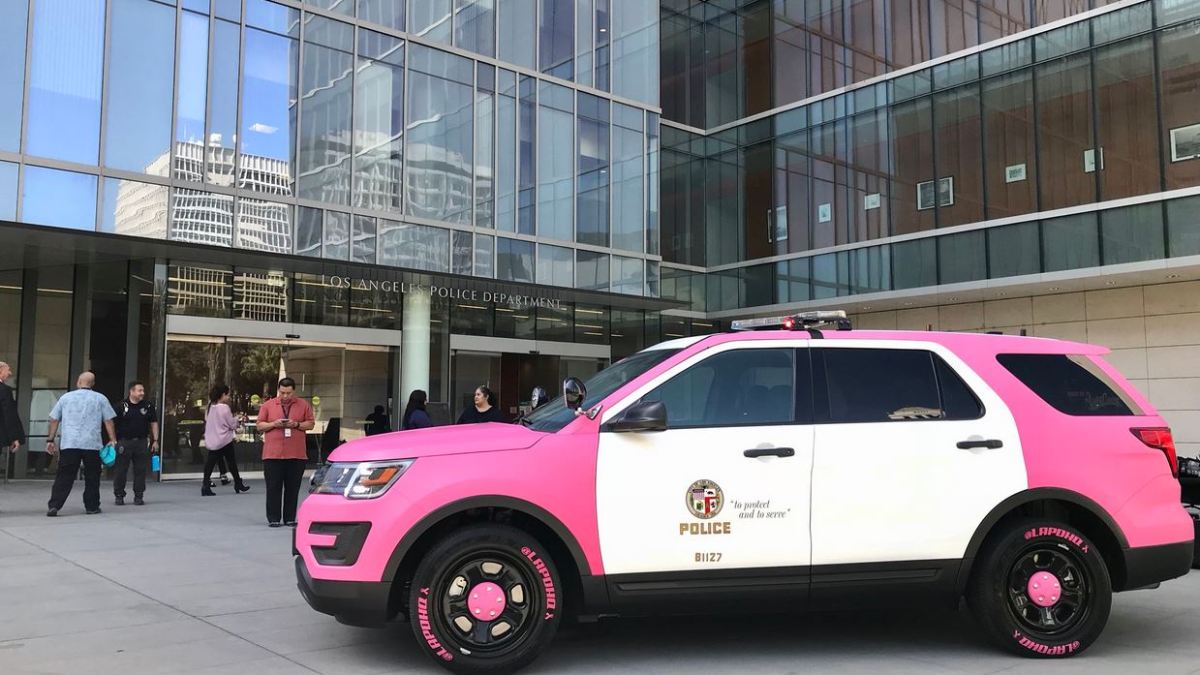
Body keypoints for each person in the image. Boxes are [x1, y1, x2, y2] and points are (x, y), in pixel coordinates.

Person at [45, 372, 117, 517]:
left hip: (70, 443)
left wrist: (50, 440)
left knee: (64, 476)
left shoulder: (66, 398)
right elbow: (108, 420)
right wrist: (113, 439)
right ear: (93, 384)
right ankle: (92, 506)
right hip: (92, 444)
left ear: (78, 382)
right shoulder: (100, 398)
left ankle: (54, 506)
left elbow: (54, 419)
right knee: (92, 476)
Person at [256, 377, 314, 528]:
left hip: (296, 454)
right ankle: (274, 518)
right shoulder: (268, 405)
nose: (285, 396)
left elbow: (310, 423)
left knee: (292, 488)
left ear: (293, 391)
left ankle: (289, 518)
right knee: (273, 487)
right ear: (278, 391)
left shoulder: (303, 405)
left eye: (288, 393)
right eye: (282, 393)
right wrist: (273, 424)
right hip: (272, 454)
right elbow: (260, 425)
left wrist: (296, 424)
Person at [112, 382, 160, 506]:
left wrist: (155, 440)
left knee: (140, 470)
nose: (142, 393)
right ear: (131, 391)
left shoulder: (148, 406)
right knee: (121, 470)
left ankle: (139, 495)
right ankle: (119, 495)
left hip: (141, 442)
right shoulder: (121, 406)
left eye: (143, 390)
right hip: (124, 442)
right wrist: (113, 440)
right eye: (139, 390)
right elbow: (111, 423)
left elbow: (154, 422)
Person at [202, 385, 250, 496]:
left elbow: (208, 420)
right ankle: (238, 483)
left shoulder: (210, 407)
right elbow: (231, 424)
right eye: (227, 394)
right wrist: (237, 420)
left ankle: (205, 484)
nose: (228, 397)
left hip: (213, 440)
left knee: (210, 463)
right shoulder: (224, 408)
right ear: (223, 395)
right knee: (231, 462)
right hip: (224, 440)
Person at [0, 362, 24, 471]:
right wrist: (14, 437)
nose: (10, 373)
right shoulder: (4, 390)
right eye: (7, 370)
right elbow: (8, 414)